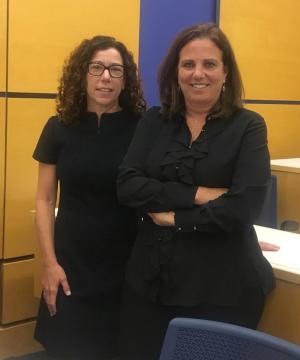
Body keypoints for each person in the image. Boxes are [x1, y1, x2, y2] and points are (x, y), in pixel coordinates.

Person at [117, 23, 275, 360]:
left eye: (209, 64)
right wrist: (200, 194)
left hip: (221, 289)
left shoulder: (248, 126)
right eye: (188, 64)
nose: (197, 74)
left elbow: (244, 206)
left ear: (225, 72)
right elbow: (127, 185)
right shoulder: (154, 121)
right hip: (150, 283)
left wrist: (173, 217)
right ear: (175, 72)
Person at [33, 35, 145, 359]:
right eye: (97, 67)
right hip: (69, 266)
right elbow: (43, 199)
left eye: (115, 70)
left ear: (126, 81)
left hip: (125, 266)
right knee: (68, 349)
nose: (105, 77)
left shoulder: (142, 128)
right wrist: (49, 263)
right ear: (82, 74)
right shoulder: (59, 127)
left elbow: (163, 191)